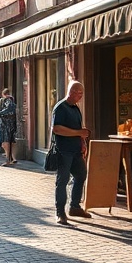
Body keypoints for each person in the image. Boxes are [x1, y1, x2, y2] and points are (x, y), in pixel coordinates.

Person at [51, 81, 91, 225]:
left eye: (81, 93)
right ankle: (60, 212)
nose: (80, 96)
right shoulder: (61, 108)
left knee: (81, 175)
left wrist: (82, 142)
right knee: (62, 180)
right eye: (78, 93)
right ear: (71, 91)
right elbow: (57, 129)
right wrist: (78, 133)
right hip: (64, 150)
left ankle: (74, 207)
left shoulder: (75, 108)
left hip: (76, 150)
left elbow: (78, 129)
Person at [0, 87, 18, 166]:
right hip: (12, 123)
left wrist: (0, 113)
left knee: (5, 142)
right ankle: (12, 158)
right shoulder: (12, 100)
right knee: (11, 141)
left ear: (3, 94)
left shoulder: (6, 100)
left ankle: (8, 160)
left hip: (5, 124)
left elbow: (8, 109)